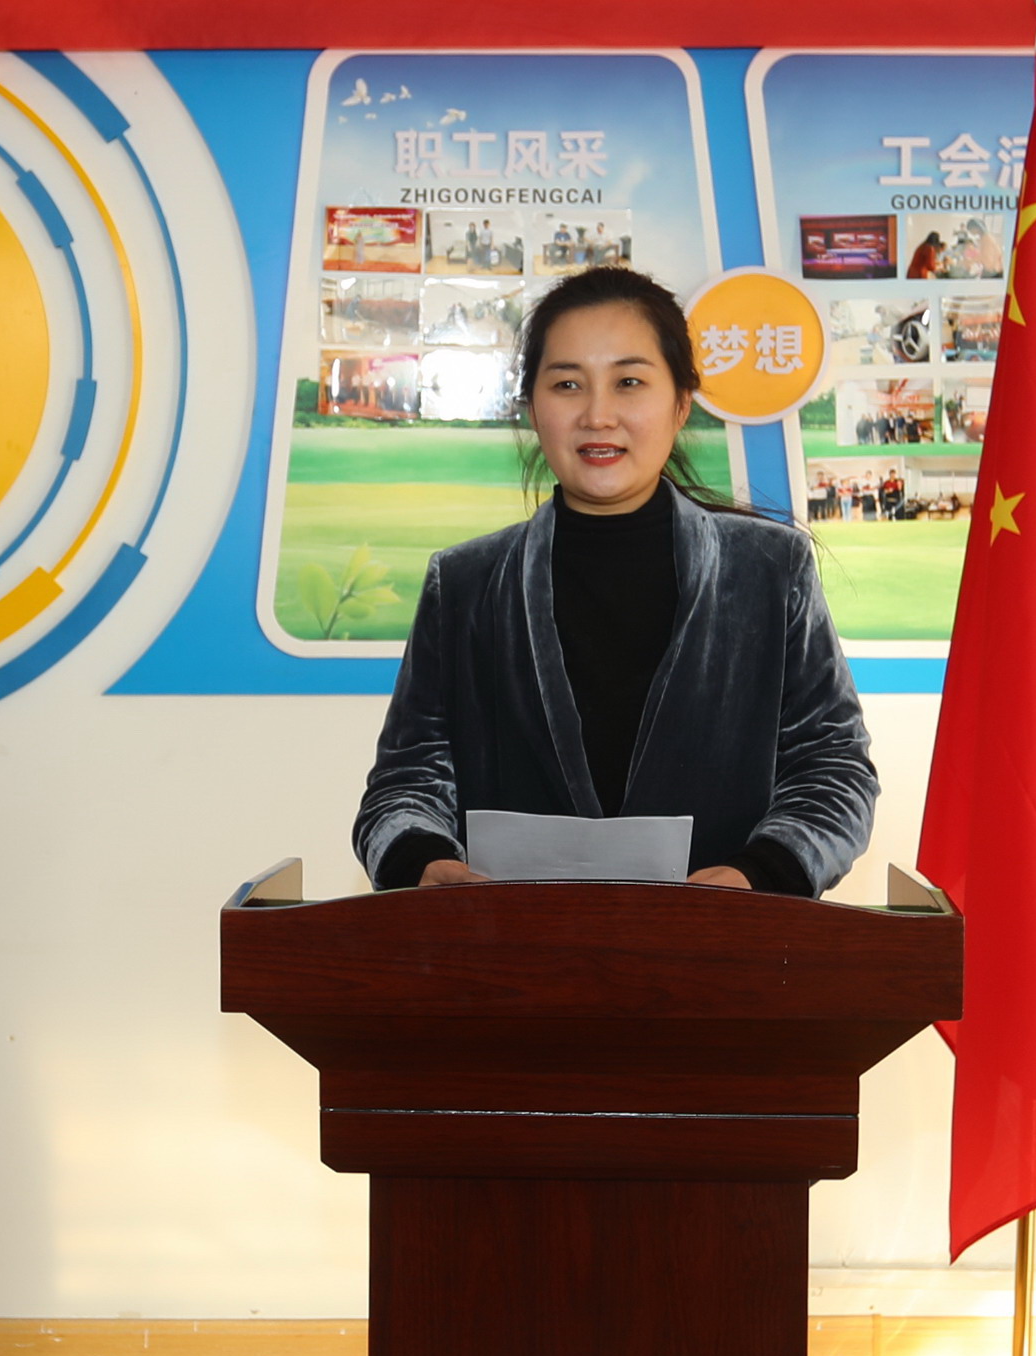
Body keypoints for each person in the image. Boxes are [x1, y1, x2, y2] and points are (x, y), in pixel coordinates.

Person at [356, 267, 877, 896]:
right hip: (509, 947)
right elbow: (405, 781)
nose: (598, 415)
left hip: (723, 945)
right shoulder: (466, 583)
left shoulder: (770, 569)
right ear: (532, 408)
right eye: (567, 384)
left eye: (629, 382)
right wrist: (419, 859)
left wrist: (760, 874)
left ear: (681, 403)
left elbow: (833, 768)